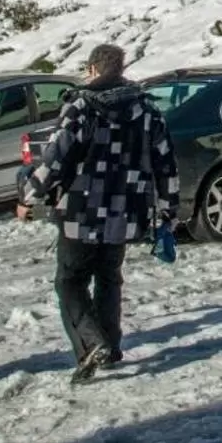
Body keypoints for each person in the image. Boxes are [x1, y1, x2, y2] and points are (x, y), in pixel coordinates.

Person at [18, 42, 178, 383]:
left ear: (92, 69)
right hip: (126, 209)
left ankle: (92, 343)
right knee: (109, 277)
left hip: (81, 209)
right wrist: (169, 209)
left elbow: (57, 157)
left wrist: (30, 194)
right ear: (121, 69)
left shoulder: (82, 107)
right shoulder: (146, 109)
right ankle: (111, 345)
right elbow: (165, 162)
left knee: (69, 281)